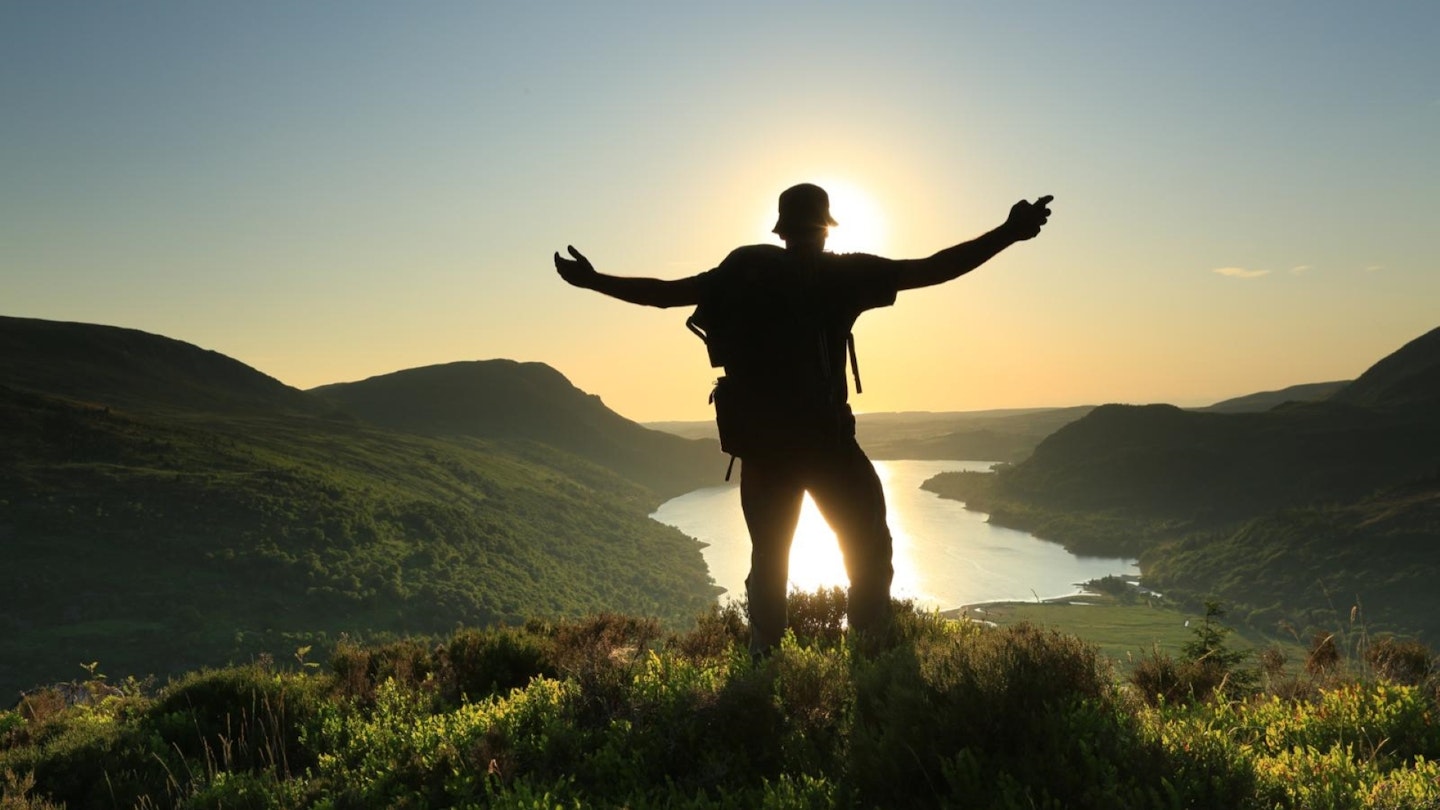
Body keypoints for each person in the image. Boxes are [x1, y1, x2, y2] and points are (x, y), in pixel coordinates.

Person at [555, 183, 1053, 655]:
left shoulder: (743, 270)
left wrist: (593, 281)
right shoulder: (841, 276)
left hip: (764, 450)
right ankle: (870, 652)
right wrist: (1008, 233)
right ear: (825, 228)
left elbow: (665, 294)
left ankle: (764, 660)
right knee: (869, 548)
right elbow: (933, 269)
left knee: (769, 559)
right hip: (829, 445)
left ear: (782, 230)